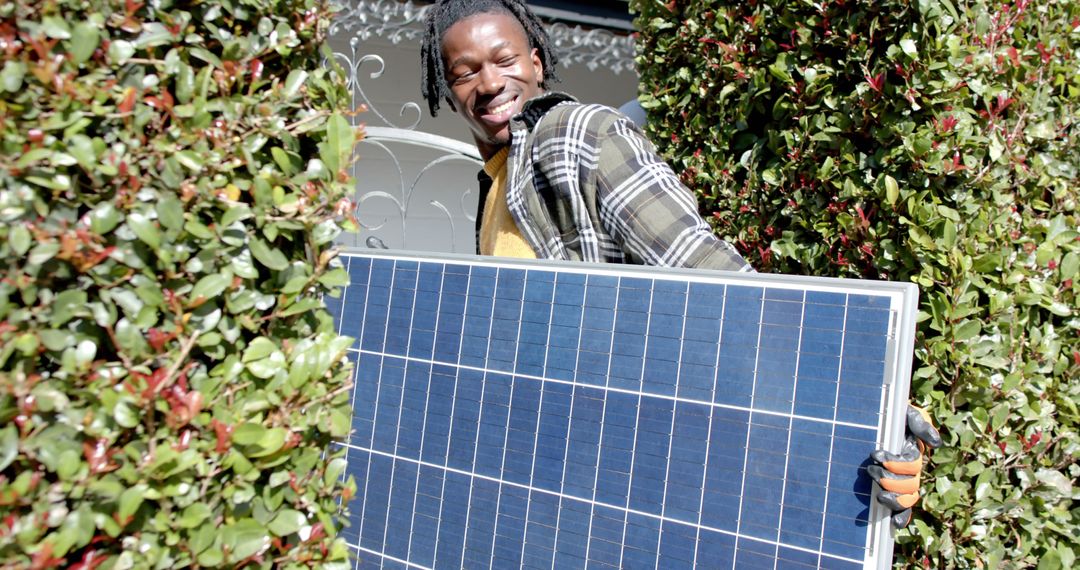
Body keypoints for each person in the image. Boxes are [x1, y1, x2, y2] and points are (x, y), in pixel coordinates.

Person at [419, 0, 940, 528]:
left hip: (625, 461)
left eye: (504, 60)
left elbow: (705, 268)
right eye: (465, 72)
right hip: (555, 466)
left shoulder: (578, 135)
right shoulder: (497, 180)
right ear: (448, 87)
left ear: (535, 62)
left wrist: (860, 401)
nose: (488, 83)